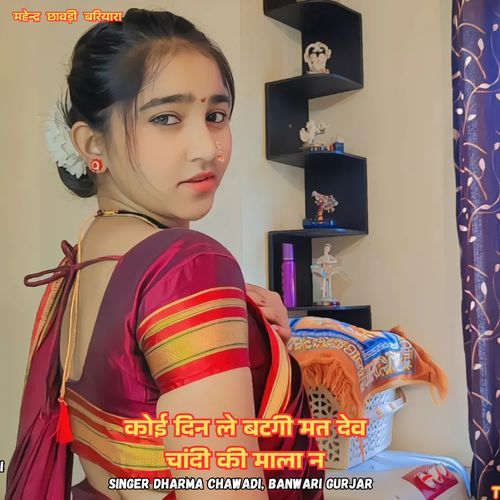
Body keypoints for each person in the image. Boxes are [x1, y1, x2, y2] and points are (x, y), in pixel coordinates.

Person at [6, 8, 325, 500]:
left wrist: (267, 347)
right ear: (92, 144)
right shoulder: (186, 266)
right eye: (166, 118)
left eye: (215, 116)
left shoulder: (87, 256)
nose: (208, 148)